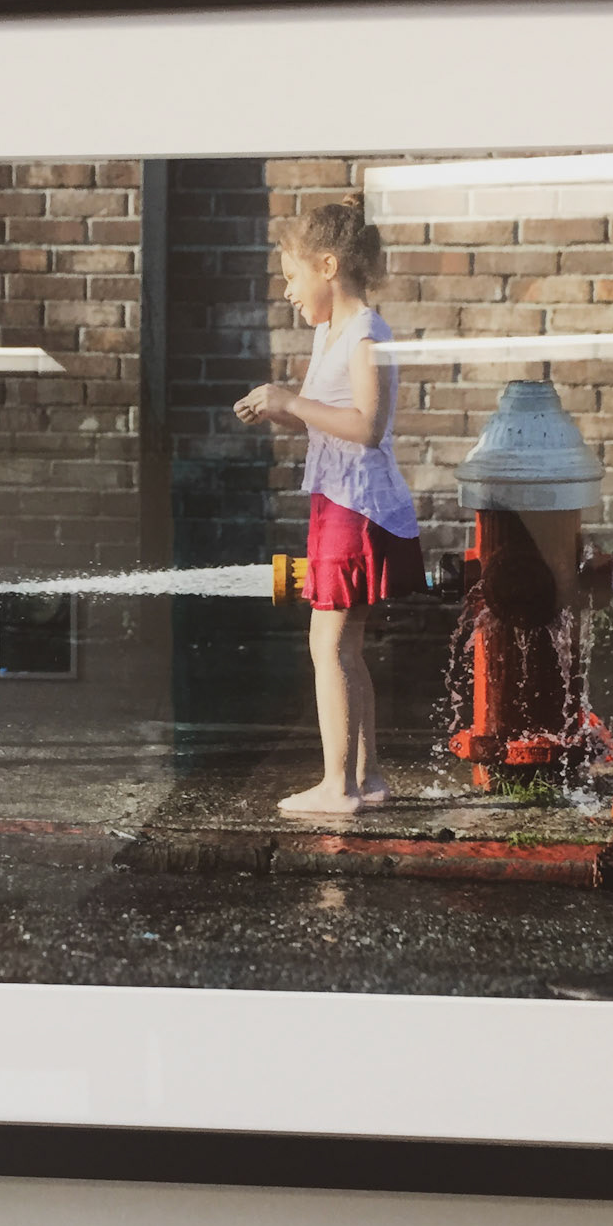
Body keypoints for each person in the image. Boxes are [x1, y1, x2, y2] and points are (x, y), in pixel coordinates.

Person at [235, 192, 425, 815]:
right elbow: (327, 420)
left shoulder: (366, 333)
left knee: (329, 647)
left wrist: (292, 401)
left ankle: (337, 787)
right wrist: (280, 411)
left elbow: (367, 426)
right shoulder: (329, 334)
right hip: (336, 502)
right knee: (345, 648)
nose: (288, 292)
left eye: (292, 277)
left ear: (328, 266)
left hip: (357, 507)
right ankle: (368, 778)